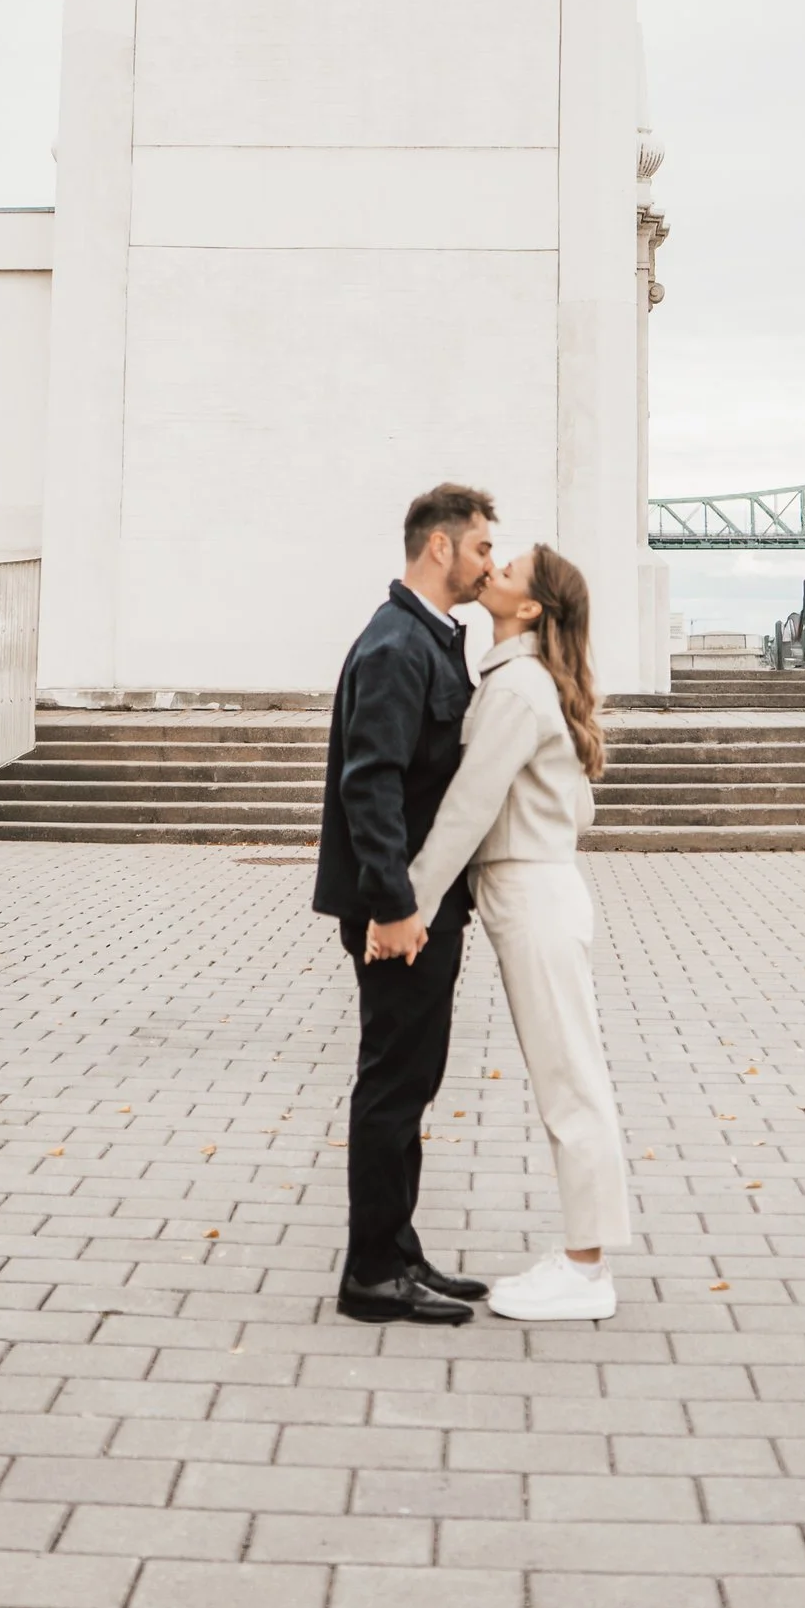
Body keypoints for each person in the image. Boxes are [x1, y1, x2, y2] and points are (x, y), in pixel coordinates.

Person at [397, 542, 630, 1322]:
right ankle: (582, 1259)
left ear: (530, 609)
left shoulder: (518, 688)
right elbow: (576, 804)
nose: (492, 571)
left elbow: (468, 807)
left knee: (570, 1081)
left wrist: (410, 908)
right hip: (538, 886)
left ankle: (588, 1269)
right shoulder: (528, 681)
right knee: (570, 1075)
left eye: (510, 571)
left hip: (531, 891)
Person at [314, 481, 497, 1325]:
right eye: (483, 547)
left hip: (422, 904)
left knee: (411, 1081)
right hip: (403, 911)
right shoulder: (397, 646)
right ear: (439, 546)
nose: (488, 562)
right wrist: (393, 907)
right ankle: (371, 1276)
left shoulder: (422, 637)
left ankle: (398, 1252)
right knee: (393, 1084)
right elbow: (371, 784)